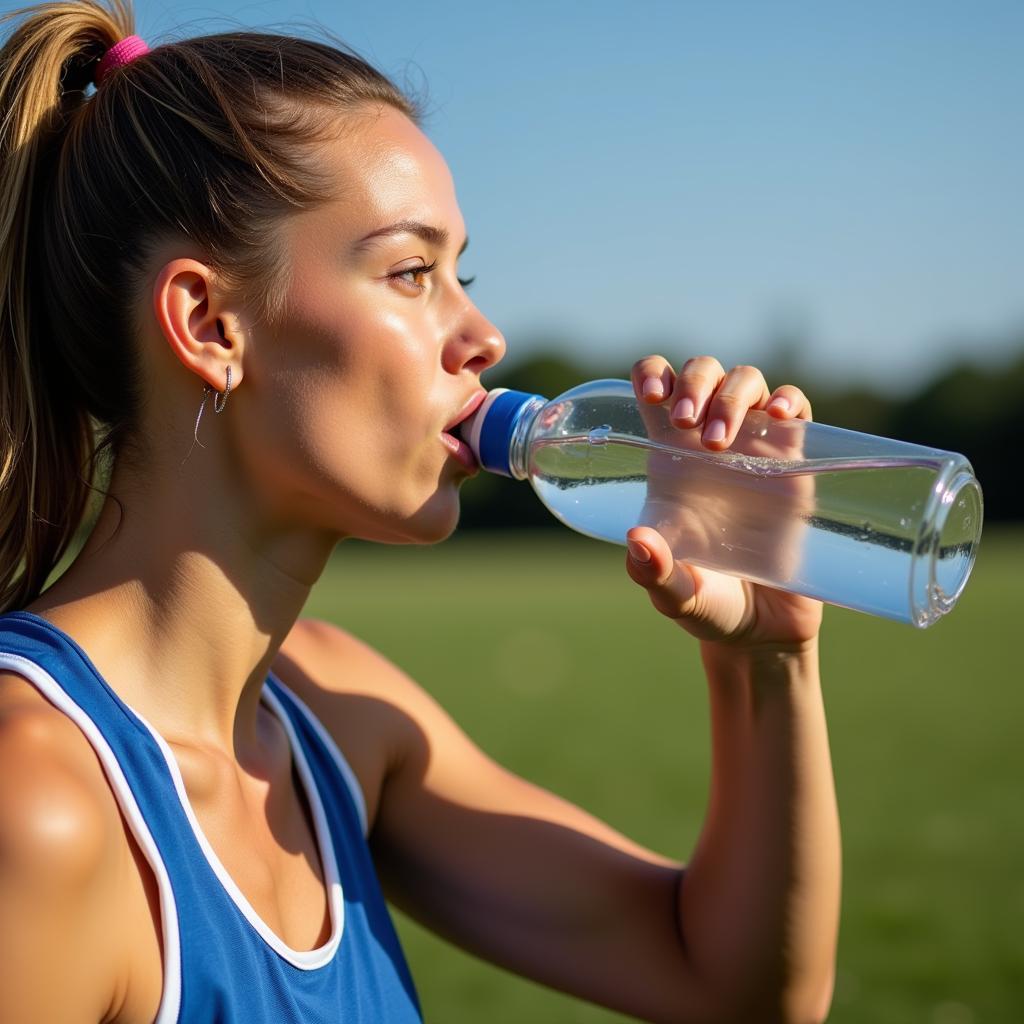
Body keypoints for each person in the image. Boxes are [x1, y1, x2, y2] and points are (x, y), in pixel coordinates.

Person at [0, 2, 841, 1021]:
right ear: (210, 323)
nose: (482, 334)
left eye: (462, 274)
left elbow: (734, 986)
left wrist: (765, 660)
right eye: (410, 272)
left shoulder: (339, 714)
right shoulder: (37, 802)